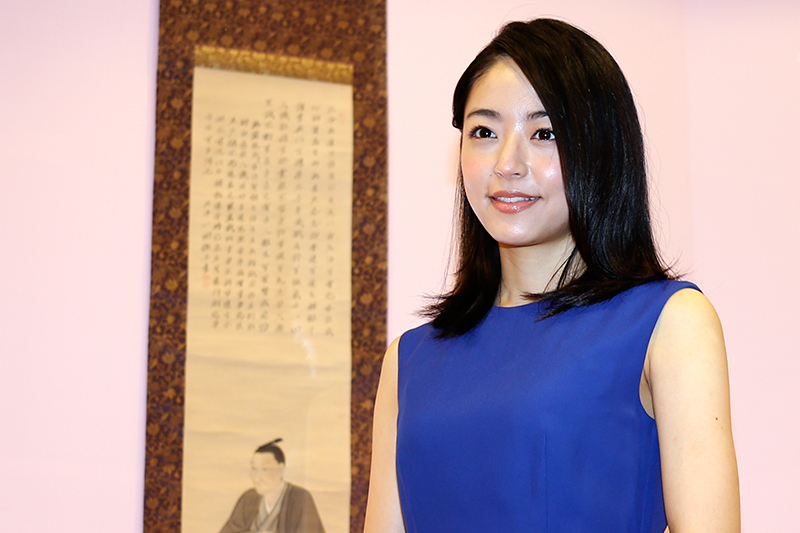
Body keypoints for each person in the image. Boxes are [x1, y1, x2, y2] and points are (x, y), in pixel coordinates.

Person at [364, 18, 739, 533]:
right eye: (484, 132)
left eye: (545, 133)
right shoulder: (408, 360)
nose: (507, 163)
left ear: (601, 148)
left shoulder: (669, 323)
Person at [220, 439, 325, 533]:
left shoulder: (300, 498)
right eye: (254, 468)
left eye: (264, 469)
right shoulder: (248, 498)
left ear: (281, 469)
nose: (257, 477)